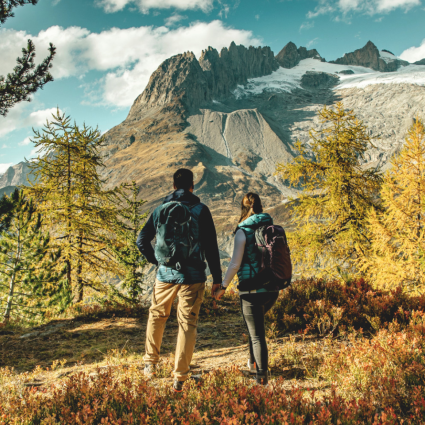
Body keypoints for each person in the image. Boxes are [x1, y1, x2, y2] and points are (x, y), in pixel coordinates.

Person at [137, 169, 222, 392]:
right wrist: (217, 279)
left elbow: (142, 240)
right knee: (187, 323)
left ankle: (149, 365)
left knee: (157, 315)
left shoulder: (160, 210)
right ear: (192, 186)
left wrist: (157, 261)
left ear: (174, 186)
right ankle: (180, 377)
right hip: (192, 276)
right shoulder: (201, 210)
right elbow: (212, 248)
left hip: (165, 275)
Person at [213, 192, 279, 385]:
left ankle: (262, 378)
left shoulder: (243, 231)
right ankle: (252, 364)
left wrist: (223, 286)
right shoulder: (270, 226)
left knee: (257, 334)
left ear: (244, 209)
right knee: (255, 328)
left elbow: (235, 263)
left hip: (251, 290)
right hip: (272, 288)